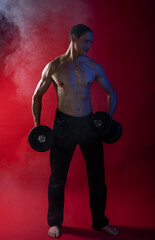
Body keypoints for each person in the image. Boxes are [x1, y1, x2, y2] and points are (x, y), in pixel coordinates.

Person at [32, 24, 119, 238]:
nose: (89, 46)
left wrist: (109, 119)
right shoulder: (54, 66)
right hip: (63, 126)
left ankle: (100, 221)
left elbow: (111, 92)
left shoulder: (93, 66)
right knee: (57, 178)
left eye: (91, 42)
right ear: (73, 38)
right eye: (85, 41)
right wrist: (37, 127)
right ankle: (55, 223)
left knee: (97, 177)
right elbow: (37, 96)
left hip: (89, 125)